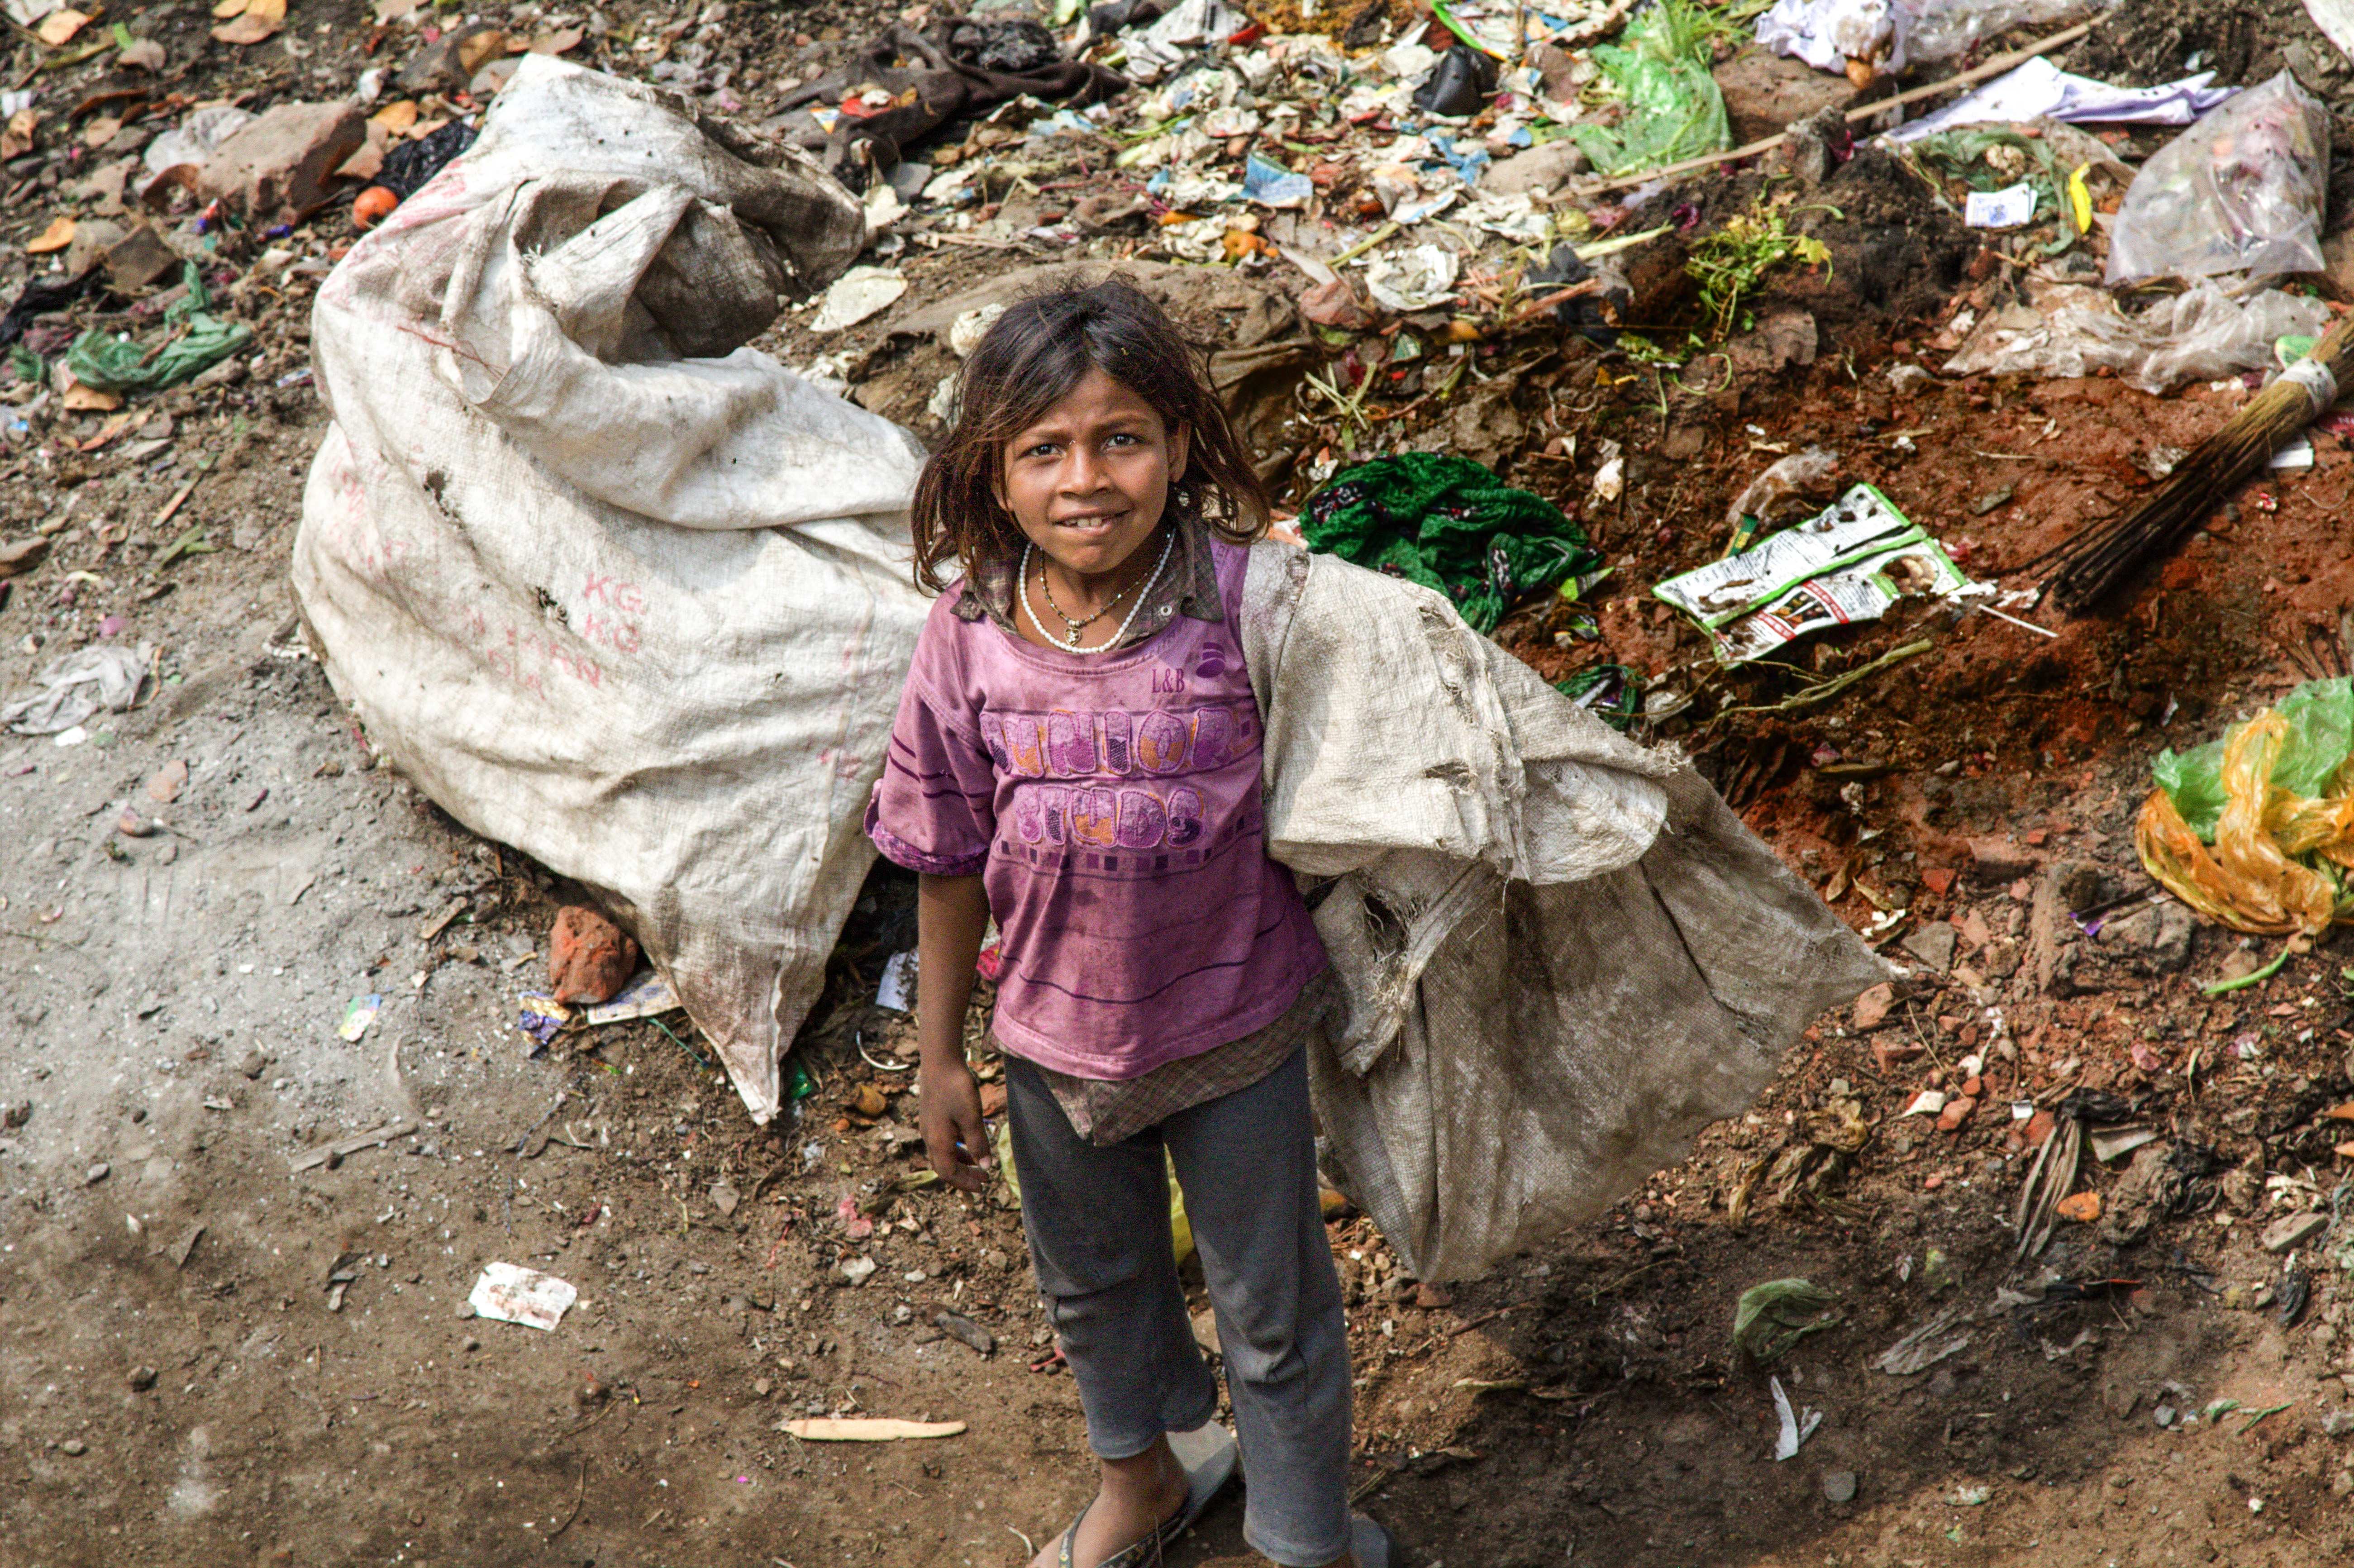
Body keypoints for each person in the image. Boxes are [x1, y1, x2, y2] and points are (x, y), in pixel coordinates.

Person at [865, 278, 1383, 1568]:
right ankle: (1142, 1479)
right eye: (1044, 449)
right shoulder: (970, 635)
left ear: (1178, 445)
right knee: (1095, 1289)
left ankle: (1303, 1535)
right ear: (990, 474)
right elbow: (942, 858)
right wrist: (941, 1055)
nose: (1085, 479)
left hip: (1237, 1030)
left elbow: (1366, 763)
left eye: (1121, 438)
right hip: (1049, 1043)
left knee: (1274, 1307)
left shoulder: (1248, 602)